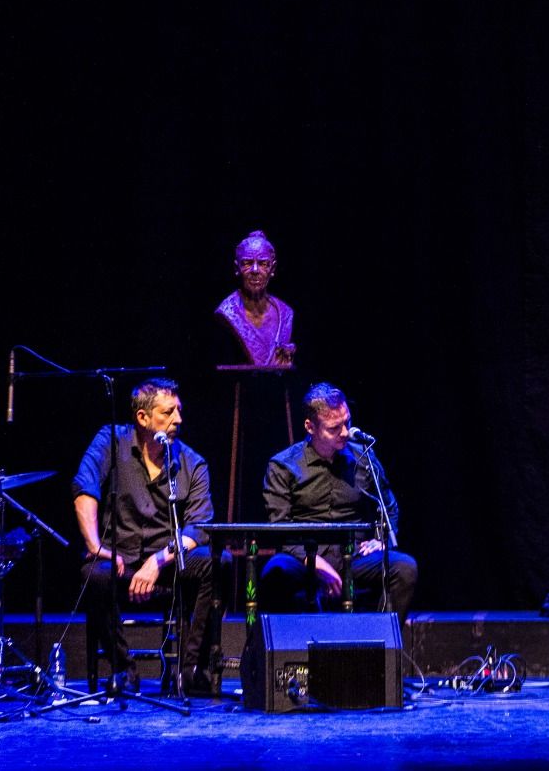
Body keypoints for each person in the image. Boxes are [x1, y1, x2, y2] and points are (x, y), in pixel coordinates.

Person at [72, 378, 228, 694]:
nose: (178, 420)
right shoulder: (110, 442)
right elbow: (84, 485)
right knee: (93, 575)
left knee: (216, 561)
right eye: (168, 412)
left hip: (169, 561)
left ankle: (187, 670)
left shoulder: (192, 462)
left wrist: (158, 560)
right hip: (120, 558)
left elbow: (199, 526)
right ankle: (123, 670)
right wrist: (93, 543)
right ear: (143, 418)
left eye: (179, 411)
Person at [260, 383, 417, 618]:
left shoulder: (363, 457)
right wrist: (313, 563)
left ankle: (376, 646)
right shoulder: (283, 465)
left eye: (347, 422)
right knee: (275, 571)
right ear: (310, 427)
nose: (345, 432)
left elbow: (389, 506)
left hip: (353, 557)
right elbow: (279, 528)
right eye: (335, 428)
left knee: (404, 568)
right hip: (304, 558)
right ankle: (277, 650)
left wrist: (382, 539)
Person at [215, 230, 296, 367]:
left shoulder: (285, 313)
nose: (255, 270)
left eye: (263, 263)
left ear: (272, 268)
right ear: (237, 267)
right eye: (247, 263)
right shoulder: (228, 311)